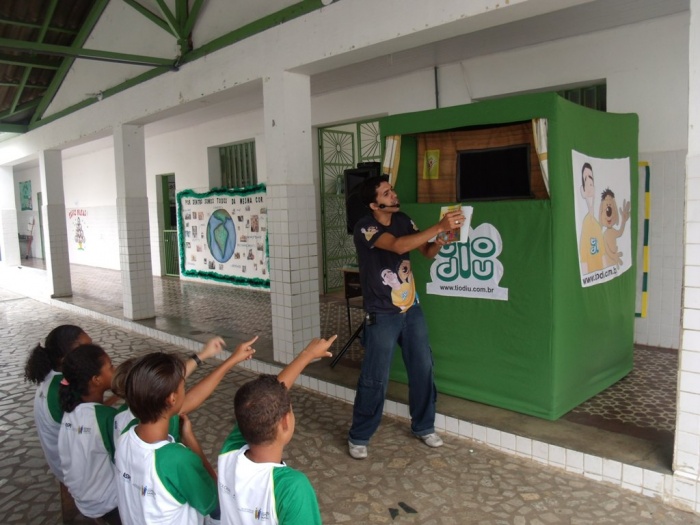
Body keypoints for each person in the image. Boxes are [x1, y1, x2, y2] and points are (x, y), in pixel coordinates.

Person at [347, 174, 464, 459]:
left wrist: (443, 237)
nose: (394, 195)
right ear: (374, 205)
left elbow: (426, 251)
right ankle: (359, 436)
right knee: (375, 377)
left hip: (412, 309)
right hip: (381, 313)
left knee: (423, 368)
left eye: (393, 190)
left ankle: (424, 426)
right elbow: (398, 246)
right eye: (387, 193)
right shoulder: (365, 227)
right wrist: (439, 226)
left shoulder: (403, 219)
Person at [114, 337, 257, 525]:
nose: (185, 387)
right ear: (171, 399)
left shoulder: (126, 433)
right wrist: (192, 442)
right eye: (183, 385)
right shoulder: (176, 459)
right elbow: (216, 503)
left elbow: (186, 400)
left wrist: (230, 360)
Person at [217, 335, 337, 525]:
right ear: (285, 422)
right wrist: (307, 354)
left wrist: (307, 355)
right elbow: (270, 397)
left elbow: (267, 398)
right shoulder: (291, 488)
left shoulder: (229, 452)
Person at [111, 336, 256, 444]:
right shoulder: (161, 414)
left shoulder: (125, 415)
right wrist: (231, 360)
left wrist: (203, 355)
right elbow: (191, 396)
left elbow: (169, 380)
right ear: (170, 398)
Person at [58, 343, 122, 524]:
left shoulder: (70, 411)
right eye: (110, 366)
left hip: (84, 499)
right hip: (108, 503)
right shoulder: (106, 418)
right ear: (96, 380)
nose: (115, 369)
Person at [24, 325, 91, 483]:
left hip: (59, 463)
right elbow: (92, 427)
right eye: (86, 349)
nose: (94, 353)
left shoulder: (51, 379)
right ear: (64, 358)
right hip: (72, 470)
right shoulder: (64, 388)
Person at [579, 162, 604, 274]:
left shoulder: (596, 224)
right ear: (583, 191)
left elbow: (603, 255)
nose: (589, 182)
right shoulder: (585, 223)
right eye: (586, 179)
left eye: (591, 178)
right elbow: (583, 260)